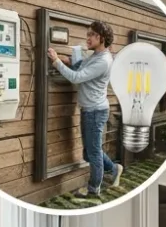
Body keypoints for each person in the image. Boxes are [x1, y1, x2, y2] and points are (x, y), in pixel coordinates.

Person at [48, 19, 123, 199]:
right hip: (88, 110)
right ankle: (114, 169)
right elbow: (82, 66)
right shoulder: (95, 55)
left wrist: (57, 62)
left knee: (94, 153)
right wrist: (68, 60)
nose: (88, 38)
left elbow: (76, 77)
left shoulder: (104, 61)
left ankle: (93, 190)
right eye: (88, 34)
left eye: (92, 35)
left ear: (102, 38)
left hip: (95, 112)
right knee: (89, 153)